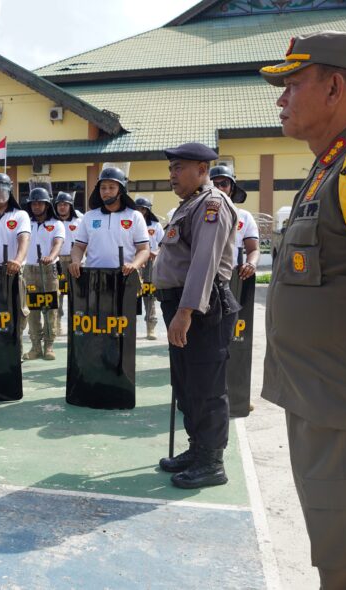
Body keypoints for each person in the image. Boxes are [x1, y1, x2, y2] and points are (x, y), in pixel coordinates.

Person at [259, 31, 346, 589]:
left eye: (293, 84)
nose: (281, 98)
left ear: (335, 87)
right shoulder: (327, 169)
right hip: (321, 404)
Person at [153, 142, 239, 489]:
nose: (172, 174)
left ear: (202, 170)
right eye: (171, 168)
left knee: (207, 385)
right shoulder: (188, 206)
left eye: (179, 167)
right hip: (183, 305)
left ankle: (211, 462)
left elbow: (204, 263)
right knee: (186, 384)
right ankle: (196, 448)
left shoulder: (211, 205)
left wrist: (186, 311)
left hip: (204, 308)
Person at [69, 167, 150, 280]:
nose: (106, 191)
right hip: (94, 278)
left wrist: (134, 265)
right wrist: (76, 261)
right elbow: (78, 246)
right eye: (103, 188)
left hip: (125, 277)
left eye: (111, 187)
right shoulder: (89, 216)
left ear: (121, 190)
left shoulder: (135, 216)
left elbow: (144, 249)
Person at [22, 187, 64, 361]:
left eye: (40, 203)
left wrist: (51, 257)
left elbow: (57, 244)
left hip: (49, 271)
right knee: (31, 309)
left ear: (47, 205)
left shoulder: (56, 224)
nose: (36, 206)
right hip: (29, 270)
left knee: (50, 309)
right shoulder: (25, 223)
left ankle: (49, 345)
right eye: (33, 203)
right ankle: (35, 347)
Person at [209, 165, 260, 279]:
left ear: (232, 188)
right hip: (203, 276)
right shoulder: (197, 214)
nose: (219, 188)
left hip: (232, 276)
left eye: (224, 184)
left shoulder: (244, 217)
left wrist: (251, 264)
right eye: (214, 184)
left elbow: (253, 250)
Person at [134, 196, 164, 340]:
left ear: (147, 210)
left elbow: (163, 244)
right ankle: (129, 326)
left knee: (149, 296)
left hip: (151, 263)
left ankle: (150, 327)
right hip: (135, 263)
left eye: (143, 208)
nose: (140, 211)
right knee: (132, 294)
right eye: (138, 208)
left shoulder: (155, 225)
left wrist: (155, 252)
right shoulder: (130, 223)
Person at [53, 191, 82, 335]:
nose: (62, 207)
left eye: (65, 205)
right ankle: (56, 325)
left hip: (74, 262)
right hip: (57, 261)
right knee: (57, 294)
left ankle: (74, 323)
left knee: (75, 294)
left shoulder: (79, 221)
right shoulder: (52, 221)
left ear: (71, 206)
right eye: (60, 204)